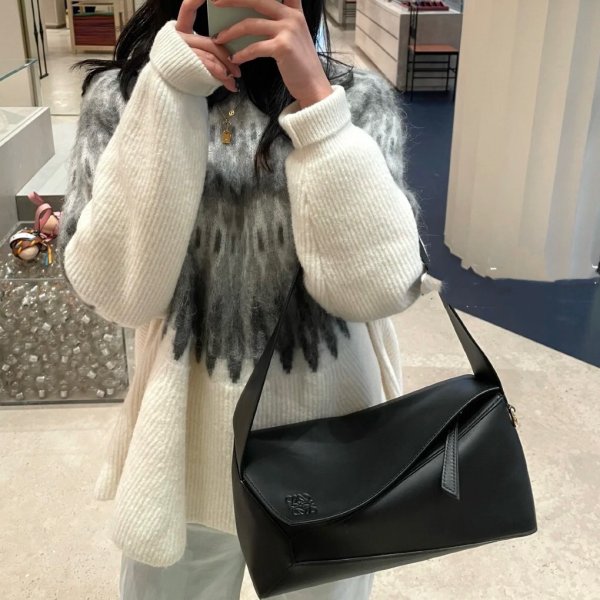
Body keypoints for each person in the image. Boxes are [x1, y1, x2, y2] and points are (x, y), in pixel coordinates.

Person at [56, 0, 442, 596]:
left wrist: (319, 107)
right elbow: (118, 294)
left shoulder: (355, 98)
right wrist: (167, 91)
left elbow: (377, 289)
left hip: (331, 448)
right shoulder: (125, 97)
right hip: (179, 452)